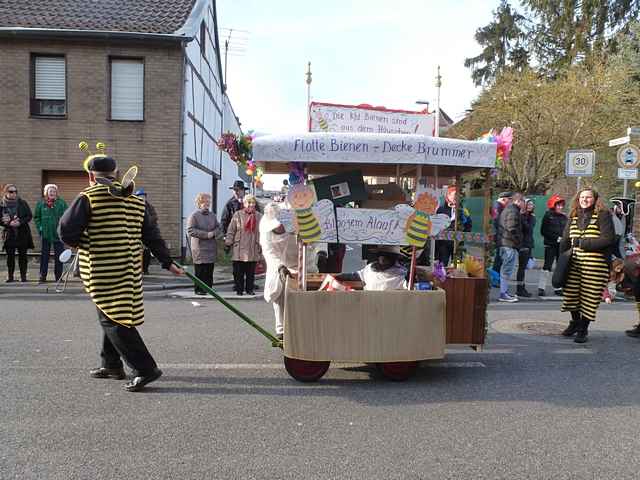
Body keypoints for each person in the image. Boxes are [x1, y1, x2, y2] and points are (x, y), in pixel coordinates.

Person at [59, 154, 182, 392]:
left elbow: (66, 231)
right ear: (115, 173)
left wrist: (85, 242)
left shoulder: (89, 197)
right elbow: (151, 235)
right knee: (112, 312)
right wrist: (167, 262)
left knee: (113, 319)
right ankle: (111, 364)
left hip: (103, 270)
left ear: (90, 176)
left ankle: (145, 368)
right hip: (129, 269)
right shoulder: (137, 200)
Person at [558, 188, 615, 344]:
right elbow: (565, 239)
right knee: (571, 296)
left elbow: (608, 239)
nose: (585, 200)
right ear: (578, 199)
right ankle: (575, 322)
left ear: (595, 199)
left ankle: (583, 328)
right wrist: (560, 261)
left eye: (588, 197)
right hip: (574, 263)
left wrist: (583, 243)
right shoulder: (573, 215)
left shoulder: (603, 215)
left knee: (589, 298)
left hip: (596, 265)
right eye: (582, 197)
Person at [260, 202, 298, 340]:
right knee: (279, 295)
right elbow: (268, 251)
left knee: (301, 296)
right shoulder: (265, 228)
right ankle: (281, 329)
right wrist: (279, 266)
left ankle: (299, 327)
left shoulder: (293, 220)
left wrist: (319, 254)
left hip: (299, 262)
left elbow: (312, 242)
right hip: (278, 265)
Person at [225, 194, 262, 296]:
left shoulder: (259, 216)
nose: (251, 205)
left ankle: (249, 289)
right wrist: (228, 243)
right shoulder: (237, 215)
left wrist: (262, 246)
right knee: (238, 272)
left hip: (253, 247)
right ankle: (239, 289)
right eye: (248, 202)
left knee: (250, 272)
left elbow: (263, 232)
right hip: (239, 247)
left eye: (253, 202)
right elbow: (231, 230)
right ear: (244, 204)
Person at [186, 192, 221, 295]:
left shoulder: (212, 215)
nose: (207, 204)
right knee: (201, 270)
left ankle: (209, 288)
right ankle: (199, 289)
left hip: (211, 247)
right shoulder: (194, 216)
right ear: (199, 203)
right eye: (204, 202)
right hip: (199, 247)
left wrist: (214, 233)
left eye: (208, 201)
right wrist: (206, 235)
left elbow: (219, 228)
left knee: (209, 269)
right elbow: (190, 230)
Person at [34, 184, 68, 283]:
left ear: (56, 193)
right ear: (46, 193)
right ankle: (42, 276)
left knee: (59, 257)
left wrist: (63, 228)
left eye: (54, 191)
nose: (52, 193)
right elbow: (37, 217)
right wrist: (40, 227)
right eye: (50, 191)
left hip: (58, 234)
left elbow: (67, 216)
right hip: (45, 234)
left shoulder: (61, 203)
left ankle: (58, 277)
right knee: (44, 256)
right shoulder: (41, 203)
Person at [1, 184, 34, 282]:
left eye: (15, 191)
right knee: (10, 257)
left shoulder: (22, 203)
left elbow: (29, 216)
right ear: (6, 192)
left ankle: (23, 276)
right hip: (9, 234)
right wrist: (7, 223)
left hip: (22, 233)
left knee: (23, 256)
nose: (14, 193)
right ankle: (10, 276)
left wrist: (20, 222)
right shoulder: (1, 204)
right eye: (11, 191)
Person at [336, 245, 408, 291]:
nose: (383, 258)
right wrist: (335, 276)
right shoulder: (370, 268)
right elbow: (354, 276)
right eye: (381, 254)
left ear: (394, 258)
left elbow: (409, 286)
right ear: (378, 256)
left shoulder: (402, 274)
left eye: (387, 255)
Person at [435, 186, 472, 266]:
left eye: (458, 195)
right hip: (443, 243)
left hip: (458, 243)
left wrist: (463, 235)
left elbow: (469, 226)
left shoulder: (463, 211)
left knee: (458, 266)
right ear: (448, 196)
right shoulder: (441, 210)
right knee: (442, 265)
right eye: (454, 195)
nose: (456, 197)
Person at [538, 194, 567, 296]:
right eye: (558, 205)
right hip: (550, 245)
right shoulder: (548, 216)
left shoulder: (564, 217)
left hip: (561, 246)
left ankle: (558, 287)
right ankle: (541, 287)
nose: (560, 207)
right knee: (547, 266)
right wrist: (556, 238)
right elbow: (544, 231)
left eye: (561, 205)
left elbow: (566, 231)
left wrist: (565, 239)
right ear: (553, 205)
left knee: (560, 267)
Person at [498, 193, 522, 302]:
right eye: (522, 201)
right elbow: (512, 228)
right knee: (506, 270)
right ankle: (503, 294)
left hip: (506, 243)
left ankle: (504, 292)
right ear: (517, 201)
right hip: (509, 244)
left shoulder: (509, 210)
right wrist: (517, 241)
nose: (523, 204)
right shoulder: (513, 211)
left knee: (506, 269)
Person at [134, 188, 157, 275]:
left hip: (147, 233)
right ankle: (136, 269)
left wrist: (148, 222)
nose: (142, 198)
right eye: (140, 196)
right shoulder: (133, 206)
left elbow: (154, 218)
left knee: (146, 252)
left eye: (143, 196)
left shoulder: (150, 207)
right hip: (136, 233)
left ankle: (145, 269)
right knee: (136, 252)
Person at [516, 198, 536, 298]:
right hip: (522, 245)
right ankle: (520, 289)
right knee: (521, 268)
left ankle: (521, 288)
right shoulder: (521, 216)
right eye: (528, 204)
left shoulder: (532, 217)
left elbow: (529, 229)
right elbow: (524, 229)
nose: (530, 206)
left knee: (524, 268)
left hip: (528, 244)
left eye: (532, 204)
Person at [492, 191, 513, 274]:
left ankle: (495, 276)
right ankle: (495, 277)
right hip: (499, 235)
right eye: (509, 199)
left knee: (499, 257)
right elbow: (497, 221)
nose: (511, 201)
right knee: (499, 258)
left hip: (500, 235)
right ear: (504, 199)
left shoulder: (500, 206)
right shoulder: (497, 206)